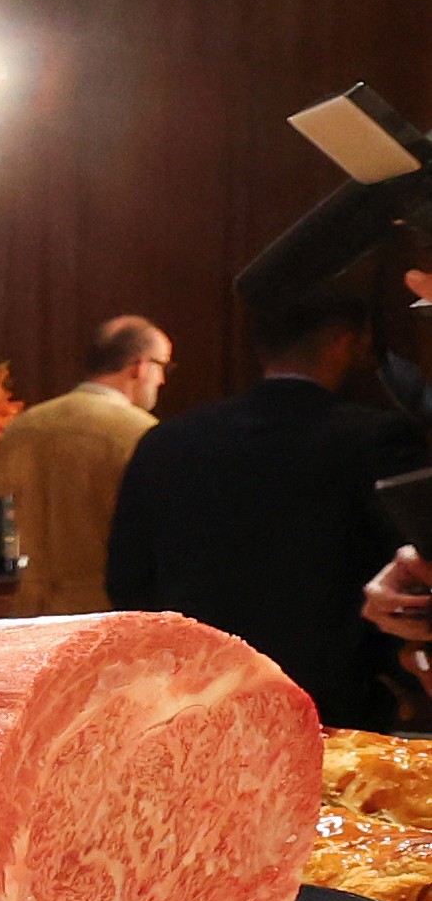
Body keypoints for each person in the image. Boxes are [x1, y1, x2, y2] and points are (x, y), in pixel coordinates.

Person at [114, 284, 425, 725]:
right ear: (343, 341)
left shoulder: (167, 441)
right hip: (333, 706)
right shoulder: (378, 439)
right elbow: (413, 579)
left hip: (193, 705)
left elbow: (128, 581)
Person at [0, 315, 167, 616]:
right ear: (139, 365)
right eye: (162, 366)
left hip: (32, 612)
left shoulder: (28, 425)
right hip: (107, 613)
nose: (162, 379)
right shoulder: (141, 434)